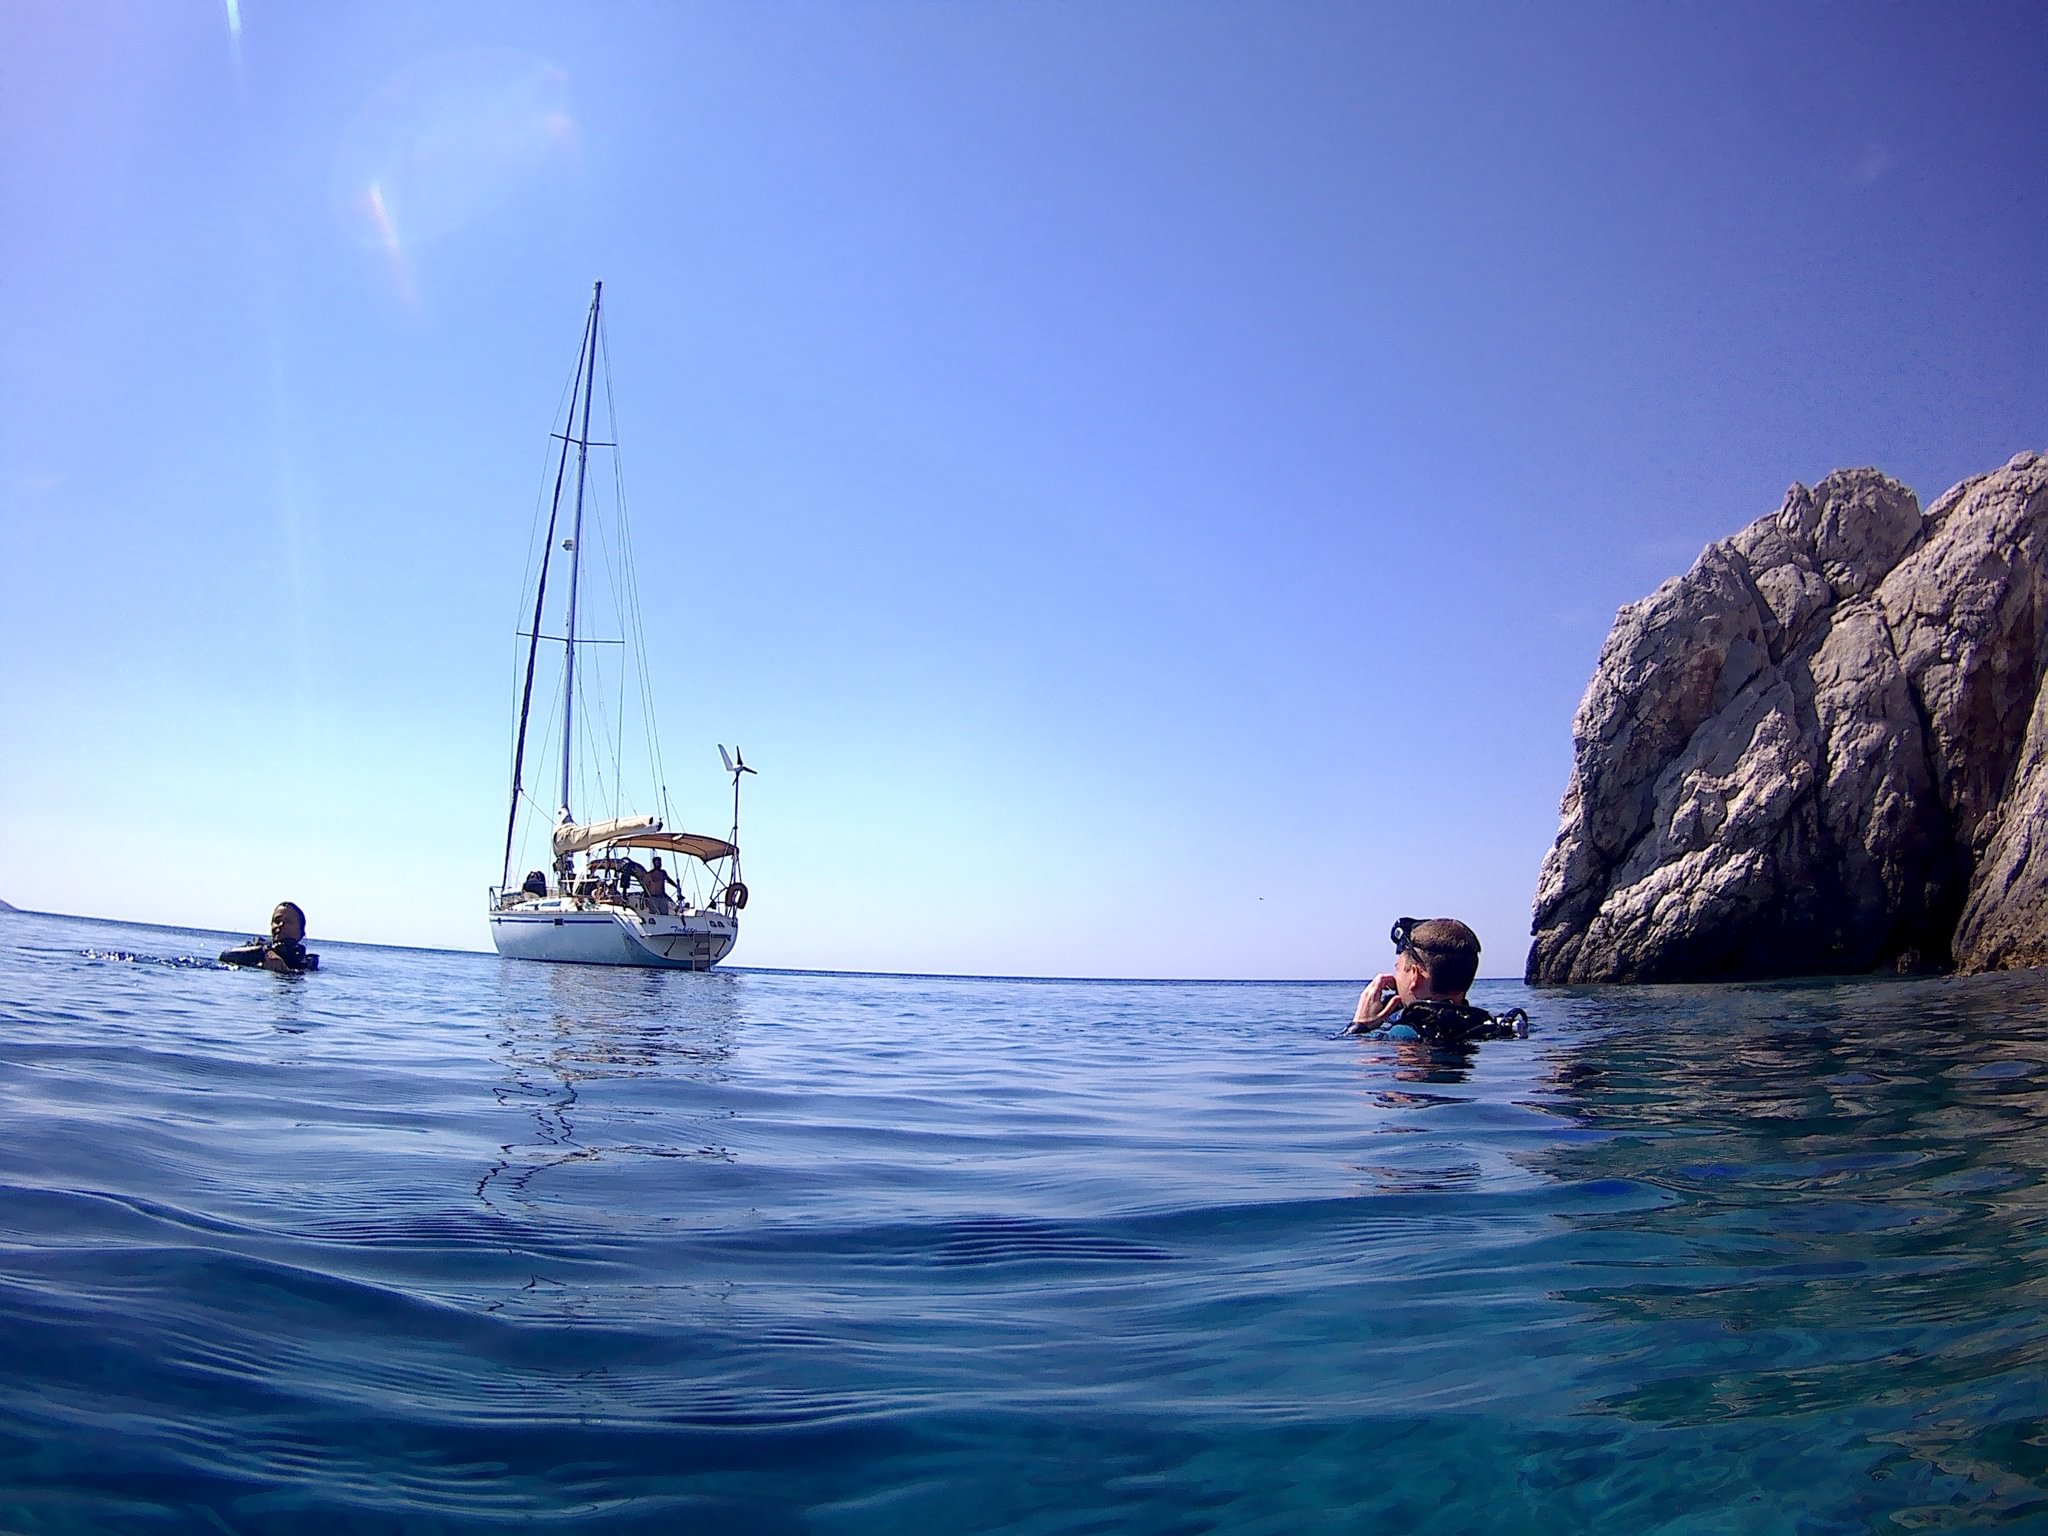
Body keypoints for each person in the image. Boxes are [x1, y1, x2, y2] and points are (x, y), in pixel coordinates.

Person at [1347, 916, 1523, 1044]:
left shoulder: (1403, 1035)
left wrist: (1360, 1027)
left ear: (1415, 975)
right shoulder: (1487, 1025)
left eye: (1398, 968)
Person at [220, 901, 320, 973]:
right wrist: (265, 952)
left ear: (301, 933)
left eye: (288, 922)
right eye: (277, 921)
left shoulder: (306, 963)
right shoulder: (255, 950)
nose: (280, 925)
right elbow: (224, 955)